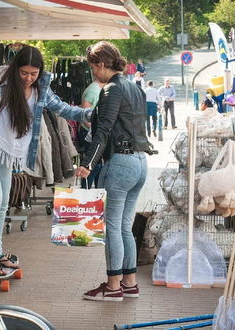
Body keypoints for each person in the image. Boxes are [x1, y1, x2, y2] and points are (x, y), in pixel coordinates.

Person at [0, 46, 91, 276]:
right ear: (15, 69)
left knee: (3, 203)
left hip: (6, 149)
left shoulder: (41, 87)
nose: (28, 78)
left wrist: (90, 114)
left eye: (33, 74)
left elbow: (63, 109)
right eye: (24, 73)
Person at [75, 41, 151, 302]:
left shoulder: (110, 90)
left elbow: (103, 131)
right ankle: (129, 283)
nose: (93, 74)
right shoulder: (134, 87)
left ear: (102, 64)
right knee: (125, 227)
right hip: (141, 162)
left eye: (94, 68)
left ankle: (112, 286)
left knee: (112, 228)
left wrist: (88, 163)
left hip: (120, 163)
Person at [78, 78, 106, 188]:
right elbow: (85, 112)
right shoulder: (93, 90)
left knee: (97, 165)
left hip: (93, 133)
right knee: (93, 165)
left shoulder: (97, 89)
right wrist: (96, 129)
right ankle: (86, 191)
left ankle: (94, 191)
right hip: (89, 133)